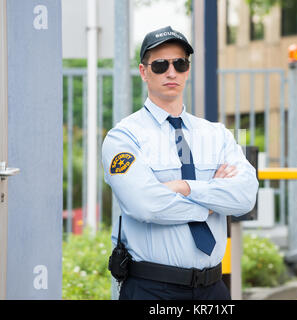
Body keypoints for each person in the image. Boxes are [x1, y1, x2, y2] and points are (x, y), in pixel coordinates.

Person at [102, 26, 259, 300]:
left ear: (187, 69)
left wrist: (185, 188)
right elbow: (146, 206)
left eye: (180, 63)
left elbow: (245, 197)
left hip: (214, 289)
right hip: (152, 288)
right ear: (143, 72)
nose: (171, 72)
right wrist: (211, 205)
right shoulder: (124, 137)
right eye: (160, 65)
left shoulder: (216, 134)